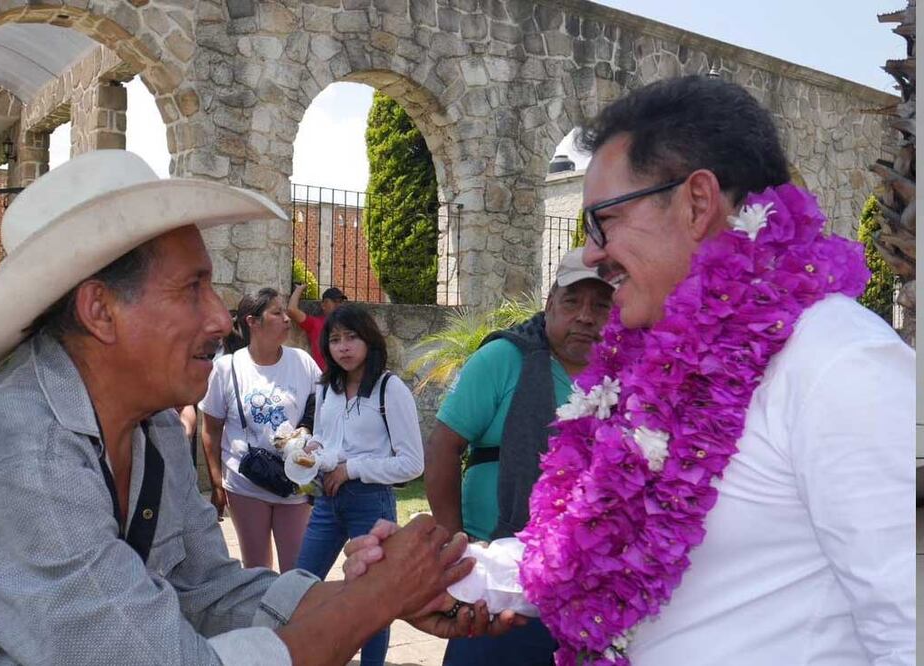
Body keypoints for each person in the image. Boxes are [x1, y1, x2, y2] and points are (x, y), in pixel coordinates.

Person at [0, 150, 499, 665]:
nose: (221, 318)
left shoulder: (150, 425)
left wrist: (371, 594)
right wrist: (375, 597)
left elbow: (206, 589)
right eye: (193, 288)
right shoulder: (24, 462)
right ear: (100, 310)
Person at [356, 75, 915, 665]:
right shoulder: (647, 367)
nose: (593, 252)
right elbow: (590, 546)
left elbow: (907, 628)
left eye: (604, 220)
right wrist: (447, 577)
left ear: (697, 202)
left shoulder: (837, 362)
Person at [423, 247, 614, 665]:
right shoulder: (503, 360)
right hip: (501, 583)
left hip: (590, 588)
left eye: (601, 306)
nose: (585, 316)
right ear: (549, 305)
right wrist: (459, 547)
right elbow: (442, 447)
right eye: (572, 301)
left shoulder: (623, 377)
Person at [294, 303, 425, 666]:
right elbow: (323, 441)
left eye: (352, 337)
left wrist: (352, 469)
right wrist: (304, 451)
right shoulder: (326, 389)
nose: (344, 347)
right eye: (335, 339)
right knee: (297, 585)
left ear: (369, 340)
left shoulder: (389, 389)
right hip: (327, 499)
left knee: (371, 598)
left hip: (370, 501)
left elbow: (412, 464)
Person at [199, 288, 318, 572]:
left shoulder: (303, 363)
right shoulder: (227, 368)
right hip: (245, 484)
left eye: (284, 312)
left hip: (294, 483)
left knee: (296, 570)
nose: (286, 318)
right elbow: (211, 430)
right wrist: (217, 482)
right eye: (276, 312)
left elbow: (323, 412)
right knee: (256, 571)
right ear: (252, 321)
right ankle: (262, 618)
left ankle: (293, 618)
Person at [288, 284, 347, 369]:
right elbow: (291, 310)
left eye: (340, 301)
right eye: (334, 301)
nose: (338, 305)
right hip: (322, 377)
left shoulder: (349, 324)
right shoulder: (315, 323)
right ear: (323, 305)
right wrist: (299, 289)